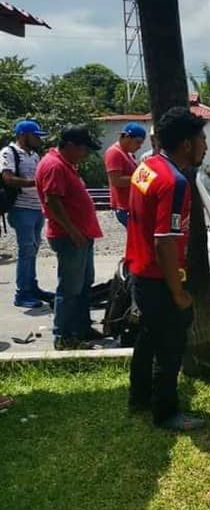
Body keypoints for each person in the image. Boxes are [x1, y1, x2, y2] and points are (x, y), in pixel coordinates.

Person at [125, 106, 208, 431]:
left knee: (148, 337)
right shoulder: (175, 182)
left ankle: (140, 396)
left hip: (140, 270)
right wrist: (178, 291)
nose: (205, 146)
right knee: (170, 345)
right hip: (158, 277)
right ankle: (166, 411)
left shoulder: (147, 168)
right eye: (202, 139)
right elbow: (164, 241)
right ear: (187, 143)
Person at [36, 125, 103, 350]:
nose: (85, 154)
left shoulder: (65, 164)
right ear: (71, 145)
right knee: (70, 288)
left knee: (84, 285)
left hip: (81, 235)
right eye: (83, 149)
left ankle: (81, 328)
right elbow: (52, 201)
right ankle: (63, 337)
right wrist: (73, 230)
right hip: (70, 237)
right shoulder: (54, 165)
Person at [1, 120, 54, 308]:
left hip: (36, 207)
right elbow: (8, 179)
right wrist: (36, 183)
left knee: (33, 249)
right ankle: (22, 293)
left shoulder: (34, 155)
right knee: (26, 250)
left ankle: (32, 287)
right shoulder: (9, 153)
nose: (39, 139)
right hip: (21, 208)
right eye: (36, 136)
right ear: (23, 135)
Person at [105, 122, 146, 227]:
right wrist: (143, 178)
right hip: (124, 206)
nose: (139, 146)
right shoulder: (114, 153)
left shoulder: (127, 154)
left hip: (131, 205)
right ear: (127, 137)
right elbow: (116, 180)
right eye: (138, 142)